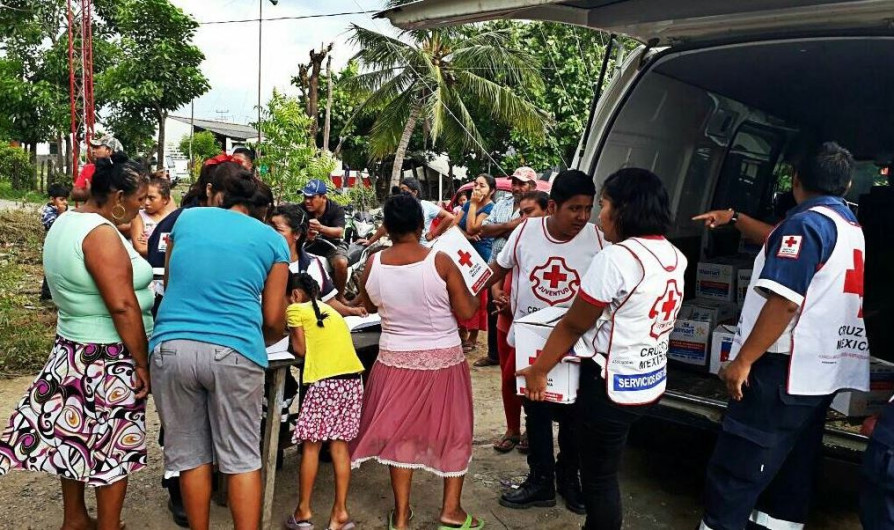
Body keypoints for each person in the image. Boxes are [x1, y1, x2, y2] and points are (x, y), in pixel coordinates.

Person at [695, 142, 869, 530]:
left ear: (796, 180)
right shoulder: (845, 225)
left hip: (780, 372)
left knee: (736, 471)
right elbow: (781, 238)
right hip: (816, 374)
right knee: (792, 468)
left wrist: (742, 361)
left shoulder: (805, 225)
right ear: (848, 182)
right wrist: (736, 218)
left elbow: (784, 303)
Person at [518, 168, 685, 529]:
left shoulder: (615, 258)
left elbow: (576, 323)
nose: (598, 215)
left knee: (600, 481)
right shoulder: (673, 255)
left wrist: (539, 368)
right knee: (603, 467)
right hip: (648, 379)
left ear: (624, 209)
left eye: (604, 204)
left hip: (609, 386)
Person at [0, 153, 152, 530]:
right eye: (137, 200)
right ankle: (109, 525)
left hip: (72, 348)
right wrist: (142, 362)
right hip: (108, 355)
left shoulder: (67, 221)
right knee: (115, 444)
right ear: (117, 196)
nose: (140, 208)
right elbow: (121, 306)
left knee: (76, 434)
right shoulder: (100, 235)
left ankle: (75, 518)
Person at [149, 160, 290, 529]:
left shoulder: (186, 220)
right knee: (242, 457)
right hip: (235, 350)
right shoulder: (273, 240)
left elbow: (172, 278)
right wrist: (254, 341)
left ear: (216, 195)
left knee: (192, 457)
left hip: (171, 346)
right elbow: (274, 318)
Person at [350, 193, 483, 530]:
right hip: (443, 361)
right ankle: (451, 511)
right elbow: (467, 312)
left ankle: (401, 515)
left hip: (394, 360)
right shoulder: (440, 261)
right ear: (422, 225)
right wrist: (475, 287)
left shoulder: (373, 264)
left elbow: (366, 302)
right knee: (454, 431)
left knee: (400, 435)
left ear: (387, 228)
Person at [483, 169, 606, 515]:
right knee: (534, 412)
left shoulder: (598, 240)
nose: (582, 217)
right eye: (574, 209)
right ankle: (541, 481)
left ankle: (570, 479)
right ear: (552, 206)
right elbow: (499, 268)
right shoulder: (525, 232)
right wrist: (471, 290)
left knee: (574, 419)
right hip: (531, 343)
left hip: (578, 346)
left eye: (588, 208)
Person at [284, 273, 364, 530]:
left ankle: (304, 512)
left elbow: (300, 350)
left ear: (295, 295)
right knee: (340, 447)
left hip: (323, 384)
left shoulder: (295, 310)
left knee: (312, 447)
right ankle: (340, 513)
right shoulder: (333, 312)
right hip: (352, 381)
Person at [491, 190, 549, 454]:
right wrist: (497, 293)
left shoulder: (551, 244)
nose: (524, 218)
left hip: (532, 326)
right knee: (507, 380)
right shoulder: (518, 237)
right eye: (521, 213)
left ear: (547, 211)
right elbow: (498, 268)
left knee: (522, 379)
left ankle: (532, 429)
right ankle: (512, 429)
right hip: (507, 318)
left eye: (530, 212)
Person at [474, 167, 539, 368]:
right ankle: (494, 354)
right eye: (515, 183)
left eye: (522, 184)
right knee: (495, 307)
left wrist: (500, 230)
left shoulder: (539, 207)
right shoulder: (502, 204)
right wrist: (513, 226)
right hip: (497, 264)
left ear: (532, 186)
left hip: (523, 269)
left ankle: (520, 356)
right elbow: (484, 229)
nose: (517, 188)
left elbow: (529, 233)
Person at [269, 204, 367, 318]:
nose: (270, 234)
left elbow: (329, 302)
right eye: (269, 229)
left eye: (277, 230)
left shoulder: (313, 265)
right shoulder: (259, 262)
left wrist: (351, 311)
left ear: (296, 234)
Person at [452, 173, 497, 352]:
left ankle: (474, 334)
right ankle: (461, 330)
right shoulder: (468, 204)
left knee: (477, 295)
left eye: (482, 186)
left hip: (480, 256)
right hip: (463, 253)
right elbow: (454, 225)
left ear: (491, 191)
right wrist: (468, 236)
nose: (477, 188)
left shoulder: (490, 208)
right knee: (459, 291)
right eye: (476, 184)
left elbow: (473, 225)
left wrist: (474, 205)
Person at [362, 177, 455, 247]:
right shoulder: (398, 207)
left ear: (415, 192)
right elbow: (386, 225)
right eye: (400, 190)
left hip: (422, 248)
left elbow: (449, 217)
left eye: (404, 190)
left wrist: (432, 234)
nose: (401, 193)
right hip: (400, 248)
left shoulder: (426, 206)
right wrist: (370, 241)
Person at [301, 179, 350, 299]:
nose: (307, 201)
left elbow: (339, 232)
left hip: (332, 245)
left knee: (341, 263)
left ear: (323, 197)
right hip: (308, 246)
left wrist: (321, 228)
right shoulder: (300, 209)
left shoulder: (336, 209)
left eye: (312, 197)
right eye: (305, 197)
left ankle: (339, 297)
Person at [39, 183, 70, 300]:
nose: (65, 202)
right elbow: (54, 226)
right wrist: (61, 214)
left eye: (66, 200)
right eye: (61, 199)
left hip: (61, 245)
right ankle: (46, 296)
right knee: (50, 270)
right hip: (51, 246)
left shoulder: (62, 210)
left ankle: (57, 293)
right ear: (52, 199)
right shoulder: (48, 211)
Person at [71, 134, 123, 202]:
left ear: (109, 150)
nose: (93, 151)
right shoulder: (88, 168)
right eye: (93, 148)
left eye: (97, 148)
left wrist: (91, 190)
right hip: (91, 211)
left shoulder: (123, 171)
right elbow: (75, 195)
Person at [132, 176, 173, 258]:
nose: (146, 202)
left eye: (151, 198)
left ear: (165, 200)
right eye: (144, 197)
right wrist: (167, 249)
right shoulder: (138, 216)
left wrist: (150, 243)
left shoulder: (173, 218)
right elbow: (141, 248)